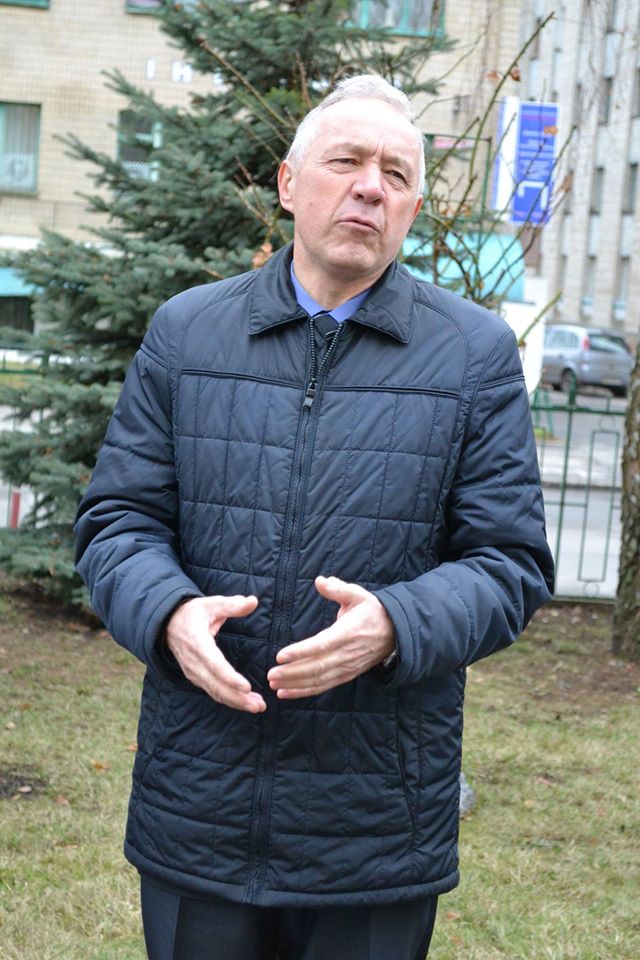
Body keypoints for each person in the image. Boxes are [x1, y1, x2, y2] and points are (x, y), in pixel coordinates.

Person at [75, 74, 554, 960]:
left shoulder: (474, 355)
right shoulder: (187, 333)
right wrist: (169, 613)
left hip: (375, 823)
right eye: (347, 162)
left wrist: (397, 624)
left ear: (412, 209)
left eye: (397, 174)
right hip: (200, 803)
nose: (371, 186)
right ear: (290, 184)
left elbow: (511, 562)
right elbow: (118, 521)